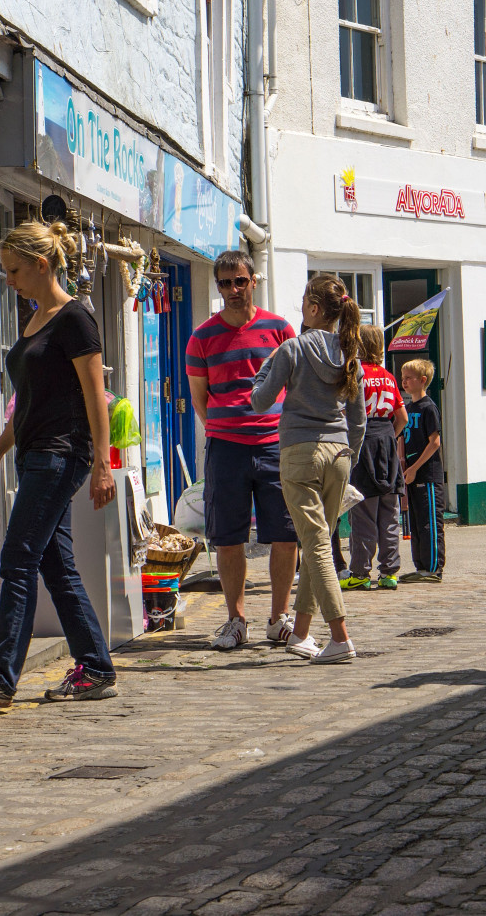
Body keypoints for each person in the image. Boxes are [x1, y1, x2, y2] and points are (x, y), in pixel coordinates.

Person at [0, 221, 118, 708]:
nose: (9, 279)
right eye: (4, 271)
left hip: (63, 453)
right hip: (35, 451)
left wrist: (102, 465)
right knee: (57, 567)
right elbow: (28, 403)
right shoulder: (35, 321)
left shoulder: (75, 318)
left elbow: (94, 396)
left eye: (14, 270)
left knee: (18, 558)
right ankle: (96, 667)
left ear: (42, 264)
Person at [250, 274, 367, 663]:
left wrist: (265, 370)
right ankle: (300, 633)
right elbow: (359, 418)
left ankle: (340, 638)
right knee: (317, 543)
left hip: (300, 453)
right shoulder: (350, 354)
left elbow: (260, 401)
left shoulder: (293, 349)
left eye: (304, 301)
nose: (300, 307)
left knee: (316, 548)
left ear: (315, 309)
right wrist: (349, 457)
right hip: (339, 456)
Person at [186, 250, 300, 652]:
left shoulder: (279, 329)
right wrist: (223, 425)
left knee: (285, 535)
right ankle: (236, 621)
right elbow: (200, 398)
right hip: (226, 448)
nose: (233, 290)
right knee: (228, 538)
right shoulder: (202, 337)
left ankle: (278, 618)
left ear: (254, 280)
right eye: (224, 283)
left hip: (275, 445)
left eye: (239, 281)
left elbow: (297, 386)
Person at [338, 325, 408, 592]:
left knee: (363, 512)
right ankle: (390, 572)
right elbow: (401, 417)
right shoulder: (389, 377)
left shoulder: (356, 374)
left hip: (363, 441)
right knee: (389, 513)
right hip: (387, 442)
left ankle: (360, 572)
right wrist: (390, 436)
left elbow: (347, 412)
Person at [400, 359, 446, 582]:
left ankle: (433, 568)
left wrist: (416, 468)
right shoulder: (407, 409)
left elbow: (434, 442)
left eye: (409, 378)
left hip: (427, 475)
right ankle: (420, 566)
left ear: (423, 381)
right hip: (410, 473)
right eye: (403, 378)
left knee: (430, 521)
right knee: (417, 523)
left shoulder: (429, 407)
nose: (404, 382)